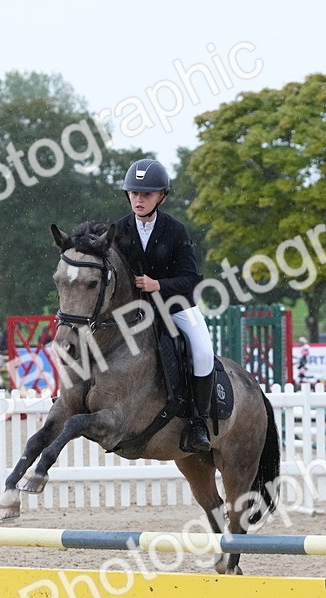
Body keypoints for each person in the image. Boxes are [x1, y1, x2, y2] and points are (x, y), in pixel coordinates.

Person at [112, 158, 214, 453]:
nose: (139, 199)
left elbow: (191, 280)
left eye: (146, 194)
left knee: (204, 351)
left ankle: (198, 422)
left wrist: (159, 285)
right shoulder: (116, 231)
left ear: (162, 197)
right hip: (133, 312)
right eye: (134, 193)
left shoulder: (175, 230)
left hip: (175, 307)